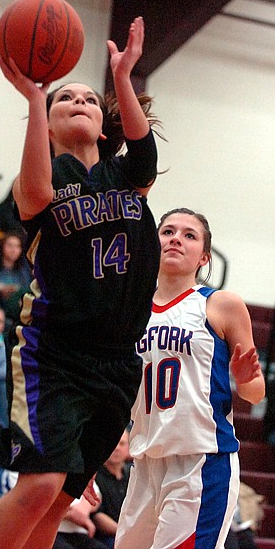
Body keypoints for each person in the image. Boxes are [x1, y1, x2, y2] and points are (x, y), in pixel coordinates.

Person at [0, 16, 161, 549]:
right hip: (54, 354)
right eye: (64, 100)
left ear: (105, 127)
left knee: (59, 501)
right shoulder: (44, 180)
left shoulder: (127, 175)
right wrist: (36, 100)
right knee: (41, 484)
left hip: (119, 360)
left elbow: (144, 150)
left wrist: (123, 76)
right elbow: (33, 189)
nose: (78, 100)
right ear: (49, 126)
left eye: (87, 98)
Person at [115, 208, 266, 549]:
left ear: (204, 256)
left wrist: (244, 379)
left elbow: (256, 393)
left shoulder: (220, 305)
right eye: (168, 232)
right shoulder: (130, 307)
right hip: (145, 462)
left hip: (201, 462)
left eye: (189, 235)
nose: (176, 240)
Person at [91, 430, 131, 548]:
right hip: (106, 537)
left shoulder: (135, 475)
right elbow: (97, 516)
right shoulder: (93, 476)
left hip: (131, 533)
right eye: (113, 443)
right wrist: (125, 533)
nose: (117, 448)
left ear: (129, 447)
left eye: (122, 444)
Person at [0, 231, 32, 326]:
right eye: (10, 245)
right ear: (2, 246)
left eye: (17, 246)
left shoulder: (24, 271)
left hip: (18, 313)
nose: (13, 250)